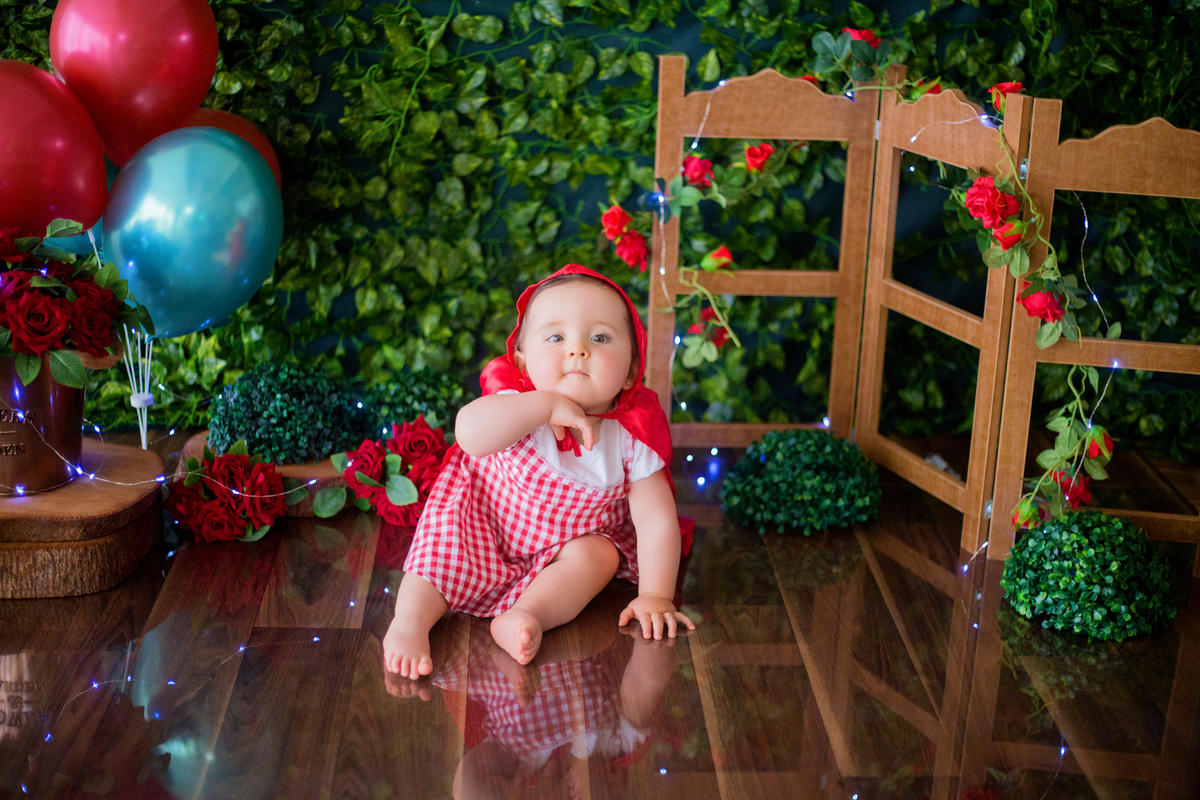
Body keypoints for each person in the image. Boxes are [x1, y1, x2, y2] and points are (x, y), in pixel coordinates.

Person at [383, 265, 695, 679]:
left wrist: (656, 595)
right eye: (556, 337)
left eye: (599, 338)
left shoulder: (631, 437)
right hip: (485, 519)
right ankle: (409, 623)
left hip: (565, 544)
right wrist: (543, 407)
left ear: (631, 367)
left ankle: (527, 614)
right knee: (442, 546)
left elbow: (656, 521)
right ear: (522, 359)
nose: (577, 350)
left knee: (599, 554)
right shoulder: (516, 401)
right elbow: (469, 434)